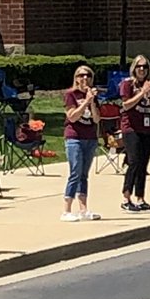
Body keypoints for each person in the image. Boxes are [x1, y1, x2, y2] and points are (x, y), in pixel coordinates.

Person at [60, 64, 102, 223]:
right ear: (76, 78)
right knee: (75, 172)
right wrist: (85, 102)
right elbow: (72, 117)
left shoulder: (93, 95)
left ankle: (83, 209)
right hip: (74, 138)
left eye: (88, 76)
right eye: (81, 75)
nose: (85, 78)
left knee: (84, 174)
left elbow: (97, 119)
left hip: (90, 137)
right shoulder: (71, 95)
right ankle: (66, 209)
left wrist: (91, 101)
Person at [119, 55, 150, 212]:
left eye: (144, 67)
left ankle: (140, 198)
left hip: (146, 128)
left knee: (143, 163)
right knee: (134, 161)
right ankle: (126, 196)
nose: (142, 69)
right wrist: (142, 93)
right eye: (139, 66)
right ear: (134, 68)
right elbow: (126, 105)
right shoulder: (127, 84)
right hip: (131, 128)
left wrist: (149, 93)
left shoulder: (149, 84)